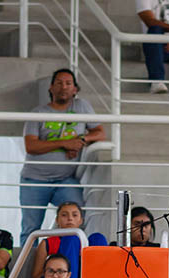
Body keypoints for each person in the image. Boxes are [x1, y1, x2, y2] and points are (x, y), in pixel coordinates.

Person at [19, 69, 106, 245]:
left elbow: (99, 133)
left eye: (68, 83)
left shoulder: (81, 107)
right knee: (31, 229)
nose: (63, 87)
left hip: (65, 180)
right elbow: (31, 146)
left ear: (75, 89)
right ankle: (27, 270)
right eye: (59, 83)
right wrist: (64, 143)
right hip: (34, 180)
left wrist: (81, 139)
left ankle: (72, 264)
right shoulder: (38, 113)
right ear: (51, 88)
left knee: (76, 222)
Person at [29, 201, 109, 278]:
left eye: (74, 215)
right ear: (57, 220)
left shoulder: (88, 242)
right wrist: (54, 270)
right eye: (64, 215)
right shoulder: (47, 243)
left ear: (81, 220)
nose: (70, 218)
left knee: (97, 238)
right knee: (71, 239)